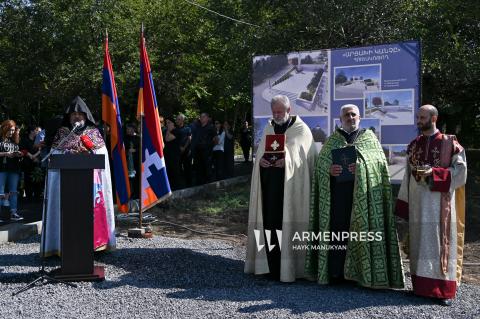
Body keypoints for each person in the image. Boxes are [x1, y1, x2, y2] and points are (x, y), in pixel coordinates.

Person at [305, 104, 404, 289]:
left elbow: (379, 167)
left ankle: (361, 274)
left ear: (359, 117)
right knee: (337, 232)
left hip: (364, 198)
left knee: (362, 232)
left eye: (353, 115)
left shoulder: (370, 139)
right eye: (346, 115)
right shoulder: (332, 140)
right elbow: (319, 168)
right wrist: (329, 171)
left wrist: (362, 168)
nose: (350, 118)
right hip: (338, 197)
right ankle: (336, 273)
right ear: (340, 119)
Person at [396, 104, 467, 306]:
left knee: (439, 246)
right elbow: (407, 176)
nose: (419, 120)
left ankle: (442, 291)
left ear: (434, 118)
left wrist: (434, 174)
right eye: (418, 117)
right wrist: (404, 204)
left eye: (423, 117)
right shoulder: (414, 145)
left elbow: (461, 173)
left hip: (439, 205)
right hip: (418, 204)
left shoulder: (450, 143)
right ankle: (420, 288)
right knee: (419, 244)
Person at [245, 95, 317, 282]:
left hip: (291, 189)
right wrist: (260, 161)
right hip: (269, 187)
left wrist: (288, 162)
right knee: (268, 223)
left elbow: (303, 158)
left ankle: (290, 267)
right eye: (274, 111)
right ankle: (268, 264)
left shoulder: (301, 130)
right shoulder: (270, 127)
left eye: (280, 111)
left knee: (287, 223)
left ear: (289, 110)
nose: (277, 115)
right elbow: (262, 153)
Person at [41, 96, 116, 257]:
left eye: (80, 114)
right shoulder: (63, 133)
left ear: (86, 116)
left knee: (91, 214)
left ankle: (94, 246)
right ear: (68, 116)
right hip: (67, 184)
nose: (77, 117)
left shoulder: (93, 132)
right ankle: (65, 246)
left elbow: (101, 154)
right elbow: (56, 154)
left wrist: (88, 153)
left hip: (91, 185)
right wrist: (69, 152)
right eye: (73, 114)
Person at [0, 120, 24, 222]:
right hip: (1, 168)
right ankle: (1, 214)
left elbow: (22, 151)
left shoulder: (15, 140)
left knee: (13, 191)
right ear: (4, 128)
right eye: (9, 129)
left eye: (13, 130)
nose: (11, 132)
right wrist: (5, 154)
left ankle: (13, 213)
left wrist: (19, 154)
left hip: (14, 168)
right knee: (0, 192)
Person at [192, 113, 215, 185]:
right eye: (201, 117)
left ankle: (209, 183)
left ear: (207, 118)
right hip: (198, 151)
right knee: (199, 167)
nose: (201, 118)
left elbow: (216, 139)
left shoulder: (211, 127)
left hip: (207, 151)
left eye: (203, 117)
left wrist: (210, 145)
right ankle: (200, 183)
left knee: (207, 167)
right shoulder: (198, 127)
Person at [20, 125, 43, 200]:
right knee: (28, 180)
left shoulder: (38, 140)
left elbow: (41, 150)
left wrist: (35, 156)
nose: (38, 132)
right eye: (37, 131)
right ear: (31, 131)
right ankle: (28, 197)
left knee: (37, 180)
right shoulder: (24, 140)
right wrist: (30, 156)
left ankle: (37, 196)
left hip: (36, 163)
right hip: (27, 163)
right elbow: (22, 149)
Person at [163, 118, 182, 190]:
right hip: (167, 155)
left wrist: (168, 130)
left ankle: (178, 188)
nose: (167, 124)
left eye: (169, 122)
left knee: (175, 172)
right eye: (166, 123)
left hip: (175, 156)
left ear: (173, 124)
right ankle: (170, 188)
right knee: (169, 172)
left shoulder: (177, 131)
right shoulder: (165, 131)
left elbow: (167, 139)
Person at [175, 113, 192, 187]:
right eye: (177, 119)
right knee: (178, 168)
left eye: (179, 119)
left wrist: (184, 147)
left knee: (187, 167)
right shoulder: (175, 129)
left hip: (186, 151)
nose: (177, 121)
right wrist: (179, 147)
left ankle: (189, 183)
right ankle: (179, 184)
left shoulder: (188, 128)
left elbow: (189, 138)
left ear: (182, 120)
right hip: (177, 152)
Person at [124, 123, 140, 199]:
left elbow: (141, 149)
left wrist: (135, 150)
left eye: (128, 129)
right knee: (129, 179)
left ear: (133, 129)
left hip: (136, 162)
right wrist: (127, 151)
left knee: (137, 178)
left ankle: (137, 194)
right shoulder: (125, 138)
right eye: (127, 129)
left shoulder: (138, 138)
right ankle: (130, 194)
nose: (127, 130)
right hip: (128, 162)